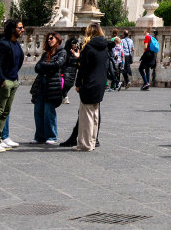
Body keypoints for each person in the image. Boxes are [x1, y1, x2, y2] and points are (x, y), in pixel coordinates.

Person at [0, 20, 24, 152]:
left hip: (13, 80)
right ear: (12, 29)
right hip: (4, 81)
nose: (22, 30)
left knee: (5, 111)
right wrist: (2, 79)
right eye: (20, 28)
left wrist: (15, 78)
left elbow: (19, 61)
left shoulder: (16, 44)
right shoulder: (2, 44)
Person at [74, 23, 112, 151]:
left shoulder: (89, 48)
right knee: (95, 114)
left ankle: (85, 144)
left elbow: (83, 68)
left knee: (86, 116)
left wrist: (78, 83)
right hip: (101, 82)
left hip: (89, 83)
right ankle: (92, 140)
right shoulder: (105, 47)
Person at [30, 31, 69, 145]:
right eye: (48, 39)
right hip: (41, 83)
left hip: (53, 84)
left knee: (49, 111)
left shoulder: (62, 52)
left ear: (57, 39)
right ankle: (39, 136)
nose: (49, 40)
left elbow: (57, 65)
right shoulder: (45, 54)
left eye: (52, 38)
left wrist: (44, 66)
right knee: (38, 111)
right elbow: (37, 68)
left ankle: (51, 136)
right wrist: (46, 66)